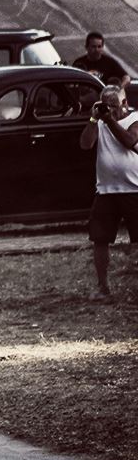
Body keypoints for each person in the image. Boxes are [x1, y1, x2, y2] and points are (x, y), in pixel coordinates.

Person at [79, 84, 138, 301]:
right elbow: (85, 145)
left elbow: (130, 141)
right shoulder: (101, 122)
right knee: (100, 239)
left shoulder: (134, 119)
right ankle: (103, 288)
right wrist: (94, 119)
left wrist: (108, 120)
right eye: (106, 105)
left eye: (113, 105)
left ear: (124, 103)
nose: (109, 110)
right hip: (106, 190)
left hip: (134, 188)